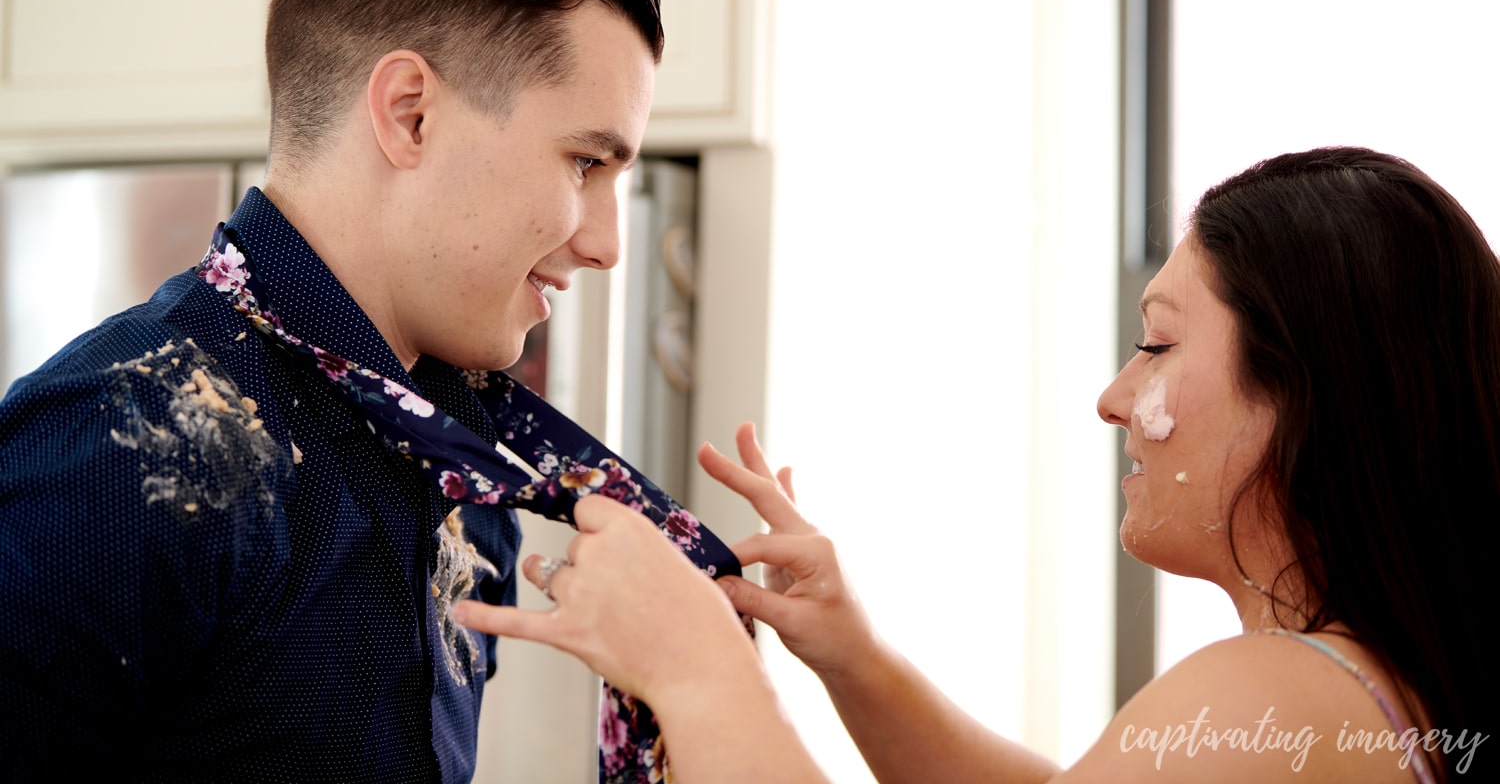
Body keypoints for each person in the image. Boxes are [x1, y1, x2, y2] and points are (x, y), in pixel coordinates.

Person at [456, 146, 1499, 783]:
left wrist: (696, 666)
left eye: (1160, 343)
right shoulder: (1376, 694)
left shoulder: (1273, 696)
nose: (1114, 396)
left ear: (1301, 391)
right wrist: (855, 659)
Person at [0, 0, 666, 780]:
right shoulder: (116, 448)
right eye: (586, 163)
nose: (605, 244)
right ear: (410, 115)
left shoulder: (471, 485)